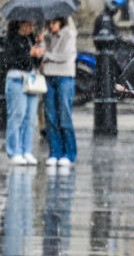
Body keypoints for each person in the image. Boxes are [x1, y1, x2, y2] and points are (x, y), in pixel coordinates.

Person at [4, 20, 45, 165]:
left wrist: (39, 49)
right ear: (19, 23)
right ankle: (14, 151)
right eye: (28, 24)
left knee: (29, 118)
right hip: (16, 80)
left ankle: (26, 150)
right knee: (17, 116)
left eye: (33, 24)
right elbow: (11, 61)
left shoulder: (31, 39)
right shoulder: (11, 39)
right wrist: (29, 53)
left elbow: (35, 64)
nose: (31, 27)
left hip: (31, 80)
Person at [41, 17, 78, 166]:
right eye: (49, 22)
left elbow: (64, 55)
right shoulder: (47, 35)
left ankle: (69, 153)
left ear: (61, 22)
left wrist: (46, 55)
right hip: (48, 76)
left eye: (54, 22)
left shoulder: (69, 34)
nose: (51, 25)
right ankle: (54, 151)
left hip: (65, 76)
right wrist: (42, 40)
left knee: (64, 114)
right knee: (50, 116)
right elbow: (40, 51)